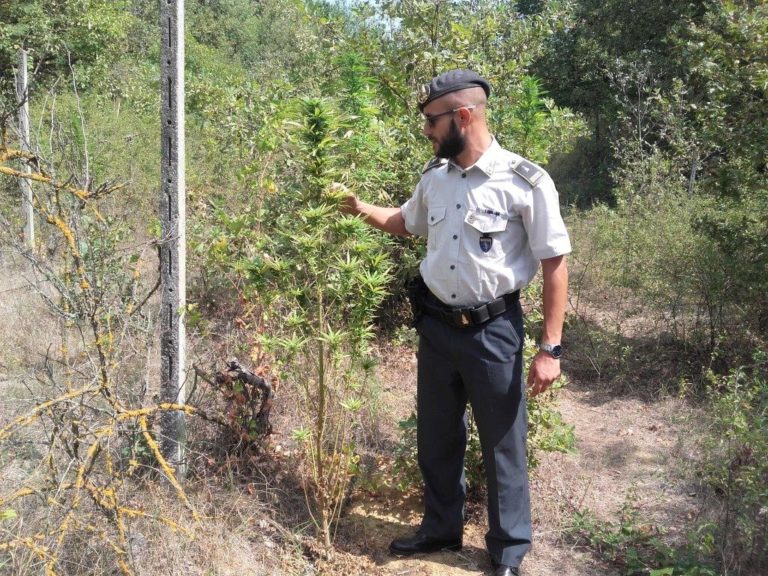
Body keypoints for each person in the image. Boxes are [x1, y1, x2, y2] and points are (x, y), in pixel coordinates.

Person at [340, 69, 570, 576]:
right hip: (438, 329)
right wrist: (359, 209)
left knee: (502, 443)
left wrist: (549, 349)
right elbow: (406, 222)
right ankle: (440, 529)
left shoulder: (524, 180)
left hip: (494, 331)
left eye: (430, 121)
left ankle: (508, 550)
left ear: (462, 117)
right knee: (437, 436)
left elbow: (554, 265)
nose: (425, 130)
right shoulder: (435, 179)